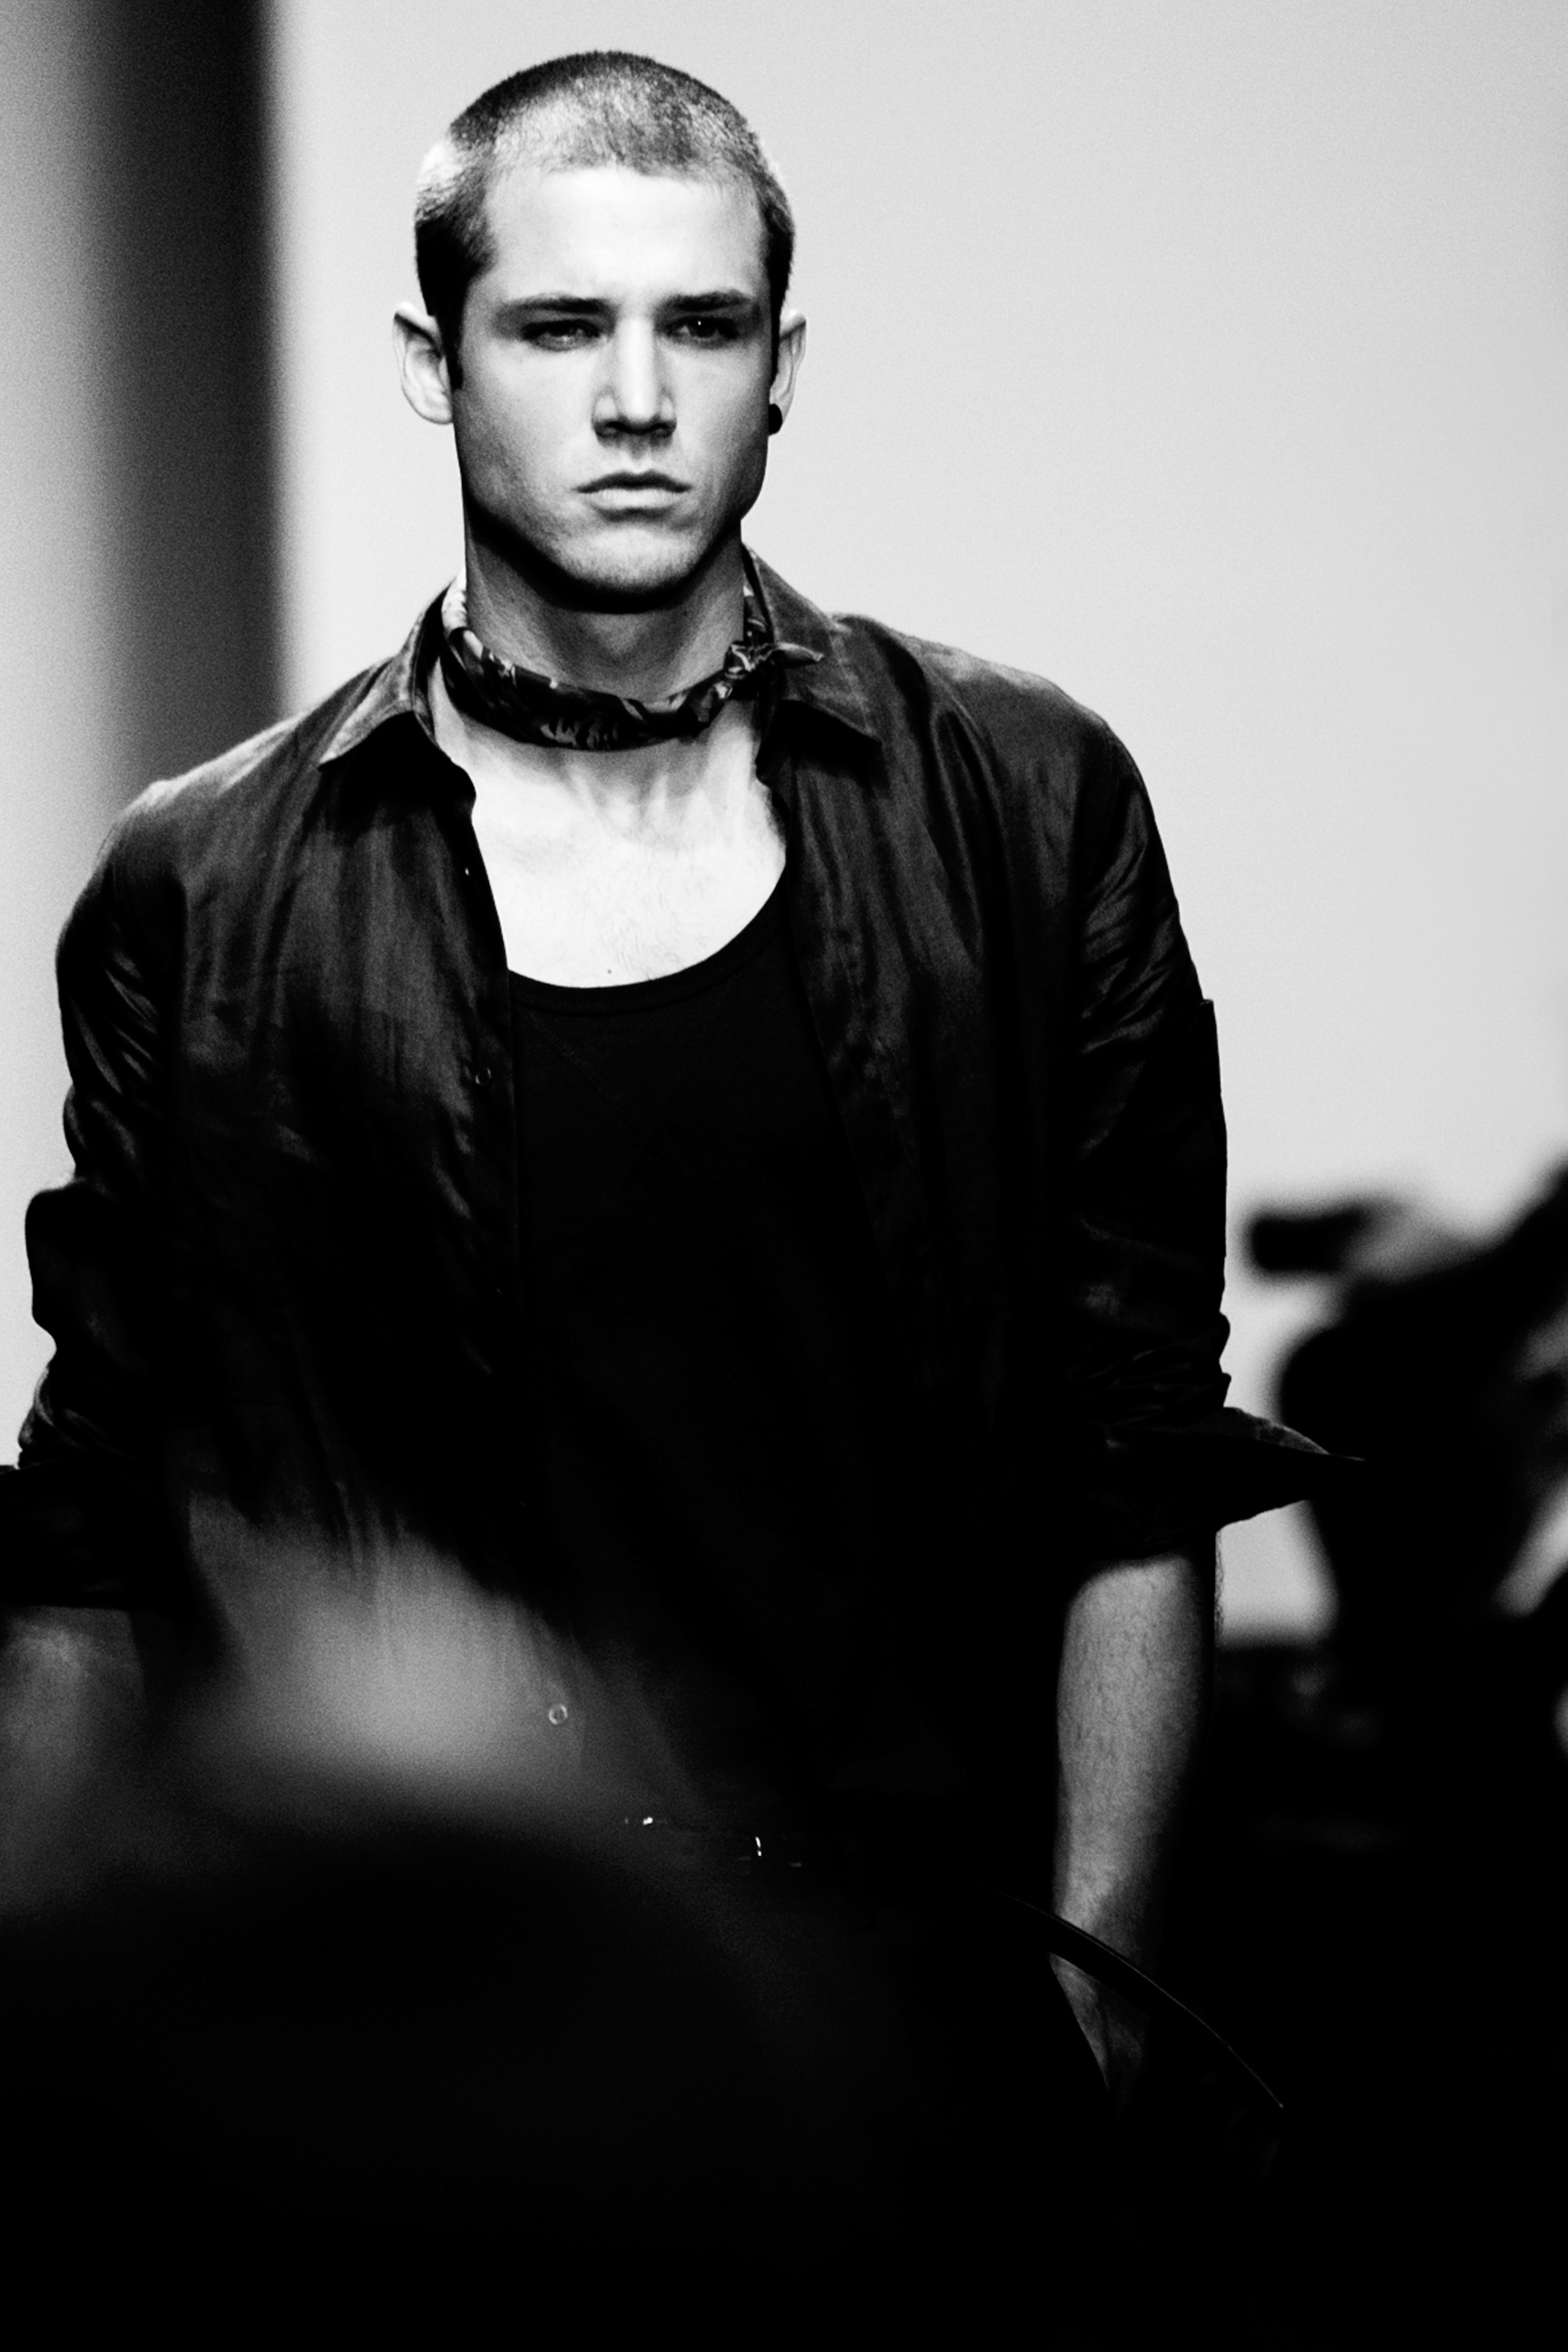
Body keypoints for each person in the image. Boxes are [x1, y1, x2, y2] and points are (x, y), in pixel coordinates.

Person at [0, 48, 1328, 2279]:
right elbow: (95, 1523)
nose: (636, 399)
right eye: (558, 326)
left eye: (699, 327)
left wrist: (1090, 2009)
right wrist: (60, 2072)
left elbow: (1135, 1459)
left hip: (918, 2029)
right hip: (428, 2048)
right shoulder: (206, 886)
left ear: (780, 364)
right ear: (433, 361)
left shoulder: (1025, 806)